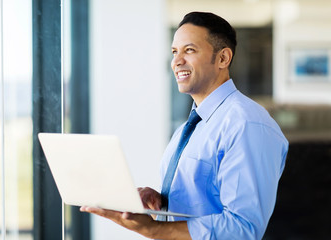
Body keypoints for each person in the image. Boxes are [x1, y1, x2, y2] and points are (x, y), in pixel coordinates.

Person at [80, 11, 289, 240]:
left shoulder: (247, 124)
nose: (176, 61)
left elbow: (242, 228)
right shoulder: (190, 127)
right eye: (174, 51)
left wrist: (154, 229)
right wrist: (162, 201)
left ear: (223, 58)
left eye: (189, 50)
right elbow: (203, 200)